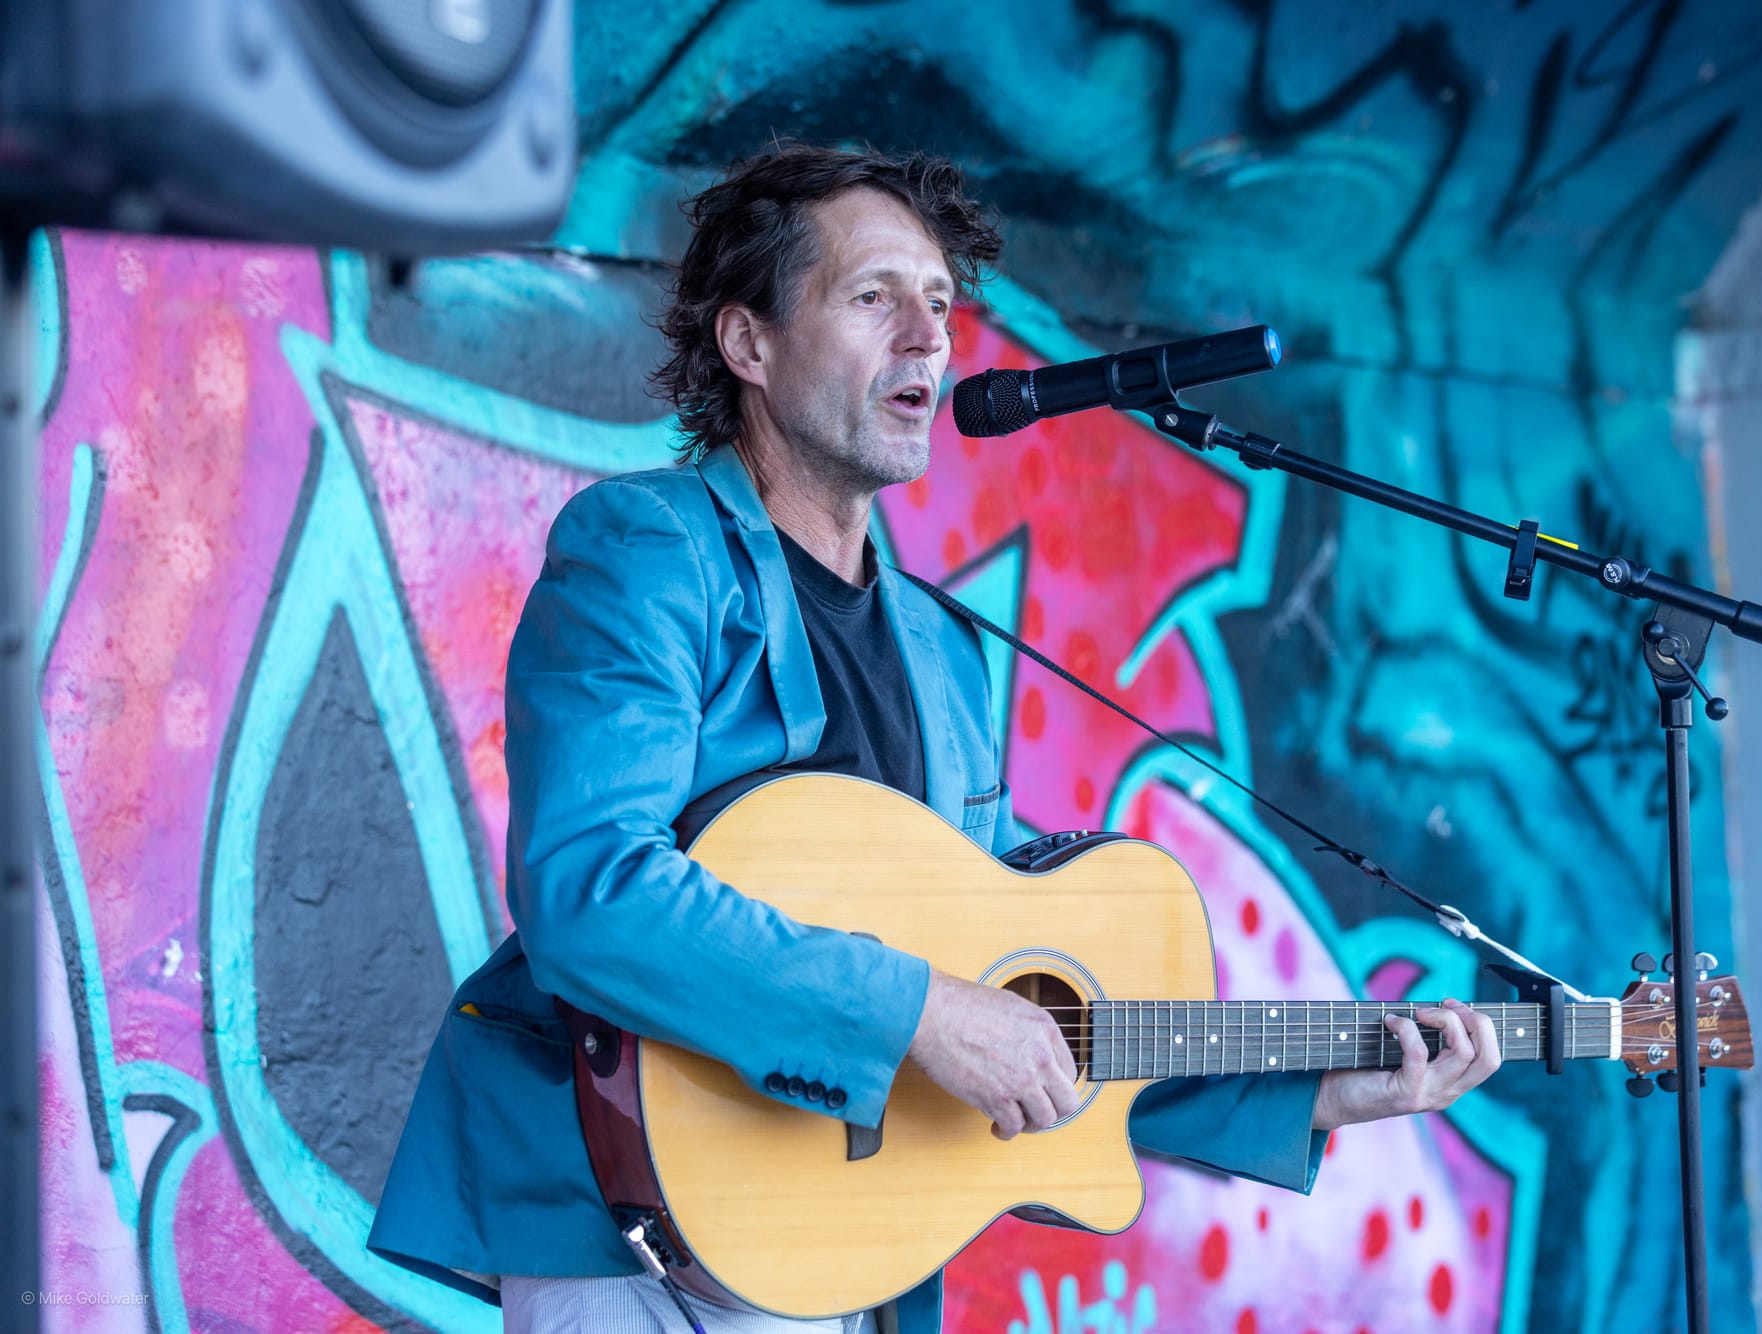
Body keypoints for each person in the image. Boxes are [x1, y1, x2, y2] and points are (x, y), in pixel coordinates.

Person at [367, 143, 1501, 1334]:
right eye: (873, 297)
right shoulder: (649, 554)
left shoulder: (943, 650)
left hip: (842, 1248)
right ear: (747, 346)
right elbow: (589, 890)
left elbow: (1027, 1009)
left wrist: (1312, 1094)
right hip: (638, 1223)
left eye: (940, 301)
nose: (927, 335)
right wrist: (919, 1011)